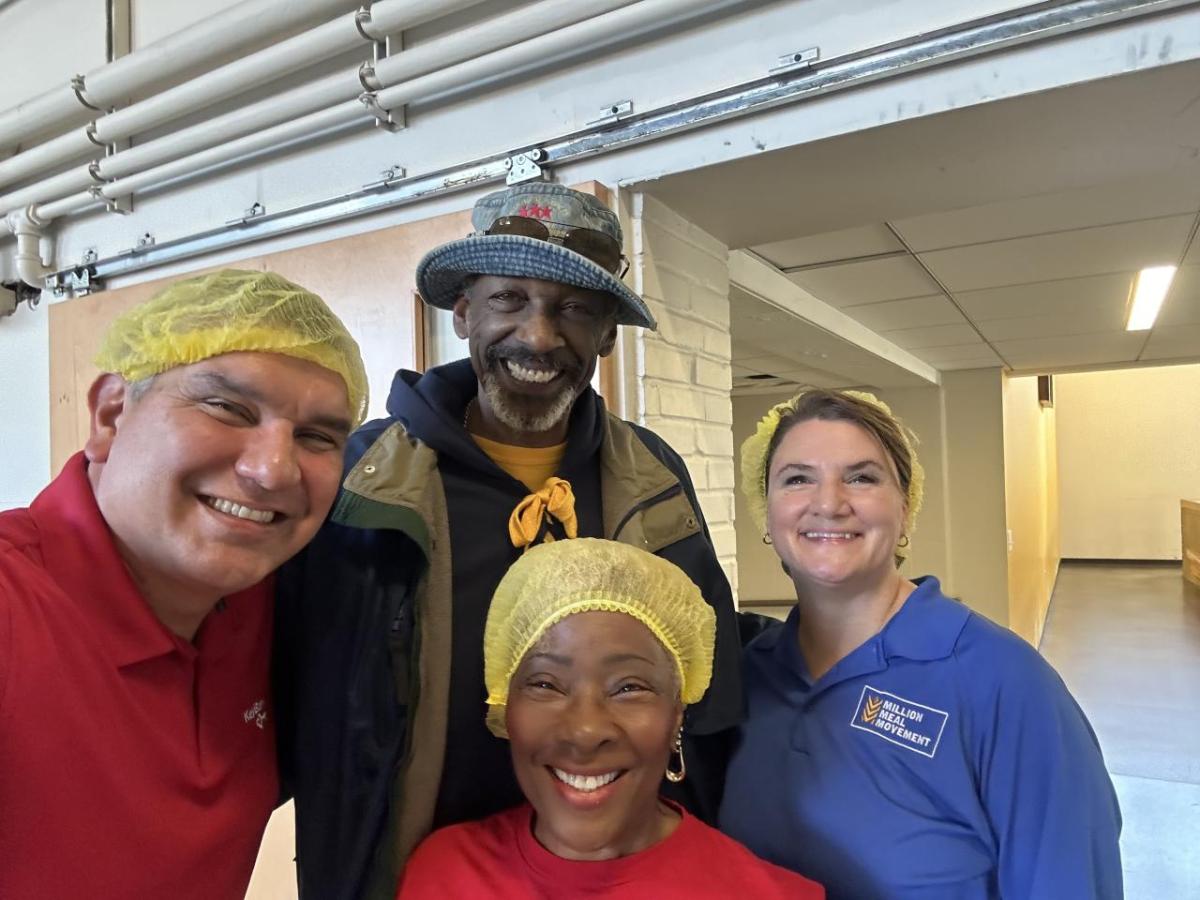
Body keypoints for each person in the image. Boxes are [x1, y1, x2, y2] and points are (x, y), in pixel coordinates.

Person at [275, 182, 743, 899]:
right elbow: (287, 676)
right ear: (463, 311)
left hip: (612, 871)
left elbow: (708, 689)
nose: (538, 335)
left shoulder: (653, 478)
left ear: (607, 335)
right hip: (402, 869)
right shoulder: (361, 481)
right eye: (509, 300)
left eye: (575, 310)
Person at [0, 269, 367, 900]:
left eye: (315, 437)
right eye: (227, 407)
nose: (271, 472)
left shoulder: (274, 610)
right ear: (111, 414)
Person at [718, 389, 1123, 899]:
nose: (828, 503)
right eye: (798, 478)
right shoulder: (751, 675)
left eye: (861, 477)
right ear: (767, 512)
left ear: (905, 509)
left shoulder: (1005, 684)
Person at [396, 537, 824, 899]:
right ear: (505, 705)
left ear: (678, 710)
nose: (585, 731)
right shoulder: (442, 876)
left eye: (629, 687)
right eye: (546, 684)